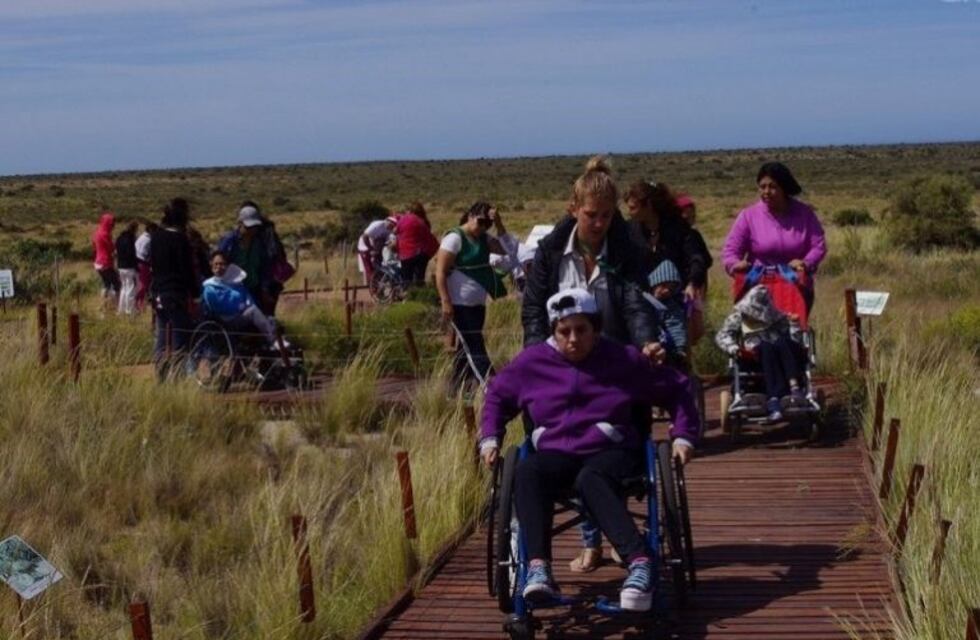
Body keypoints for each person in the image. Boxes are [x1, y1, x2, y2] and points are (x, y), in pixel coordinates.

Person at [480, 289, 699, 612]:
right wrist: (490, 439)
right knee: (528, 471)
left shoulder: (623, 360)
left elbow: (678, 388)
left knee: (591, 478)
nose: (573, 339)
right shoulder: (532, 363)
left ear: (595, 328)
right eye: (563, 331)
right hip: (557, 452)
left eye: (581, 330)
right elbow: (497, 396)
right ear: (553, 331)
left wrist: (683, 437)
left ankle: (639, 561)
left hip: (613, 450)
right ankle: (538, 567)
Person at [721, 162, 827, 309]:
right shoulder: (748, 216)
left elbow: (818, 246)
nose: (766, 191)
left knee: (793, 330)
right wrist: (734, 264)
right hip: (757, 290)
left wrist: (806, 263)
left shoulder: (805, 214)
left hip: (796, 288)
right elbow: (730, 250)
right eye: (762, 187)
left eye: (772, 187)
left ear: (784, 188)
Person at [435, 202, 510, 390]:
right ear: (470, 216)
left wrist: (499, 225)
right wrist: (446, 302)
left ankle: (457, 388)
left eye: (488, 223)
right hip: (459, 304)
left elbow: (507, 251)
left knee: (466, 347)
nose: (484, 226)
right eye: (481, 221)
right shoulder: (454, 238)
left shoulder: (485, 238)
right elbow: (440, 272)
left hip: (477, 303)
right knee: (475, 345)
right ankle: (492, 386)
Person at [715, 284, 805, 422]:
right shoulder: (739, 316)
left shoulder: (777, 318)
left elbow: (795, 342)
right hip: (754, 355)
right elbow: (722, 335)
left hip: (780, 353)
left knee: (780, 343)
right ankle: (774, 398)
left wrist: (794, 325)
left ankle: (793, 387)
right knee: (766, 347)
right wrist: (733, 348)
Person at [623, 180, 712, 303]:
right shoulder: (629, 231)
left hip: (679, 299)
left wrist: (692, 283)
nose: (629, 212)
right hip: (642, 300)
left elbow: (696, 259)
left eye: (633, 208)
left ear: (648, 205)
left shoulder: (678, 229)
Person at [150, 198, 200, 378]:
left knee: (162, 337)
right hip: (175, 293)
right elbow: (186, 270)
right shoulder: (180, 239)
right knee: (181, 337)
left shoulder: (156, 237)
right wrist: (195, 294)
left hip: (158, 292)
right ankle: (178, 379)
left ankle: (161, 376)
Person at [217, 201, 291, 317]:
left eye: (255, 227)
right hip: (233, 291)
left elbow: (264, 267)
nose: (252, 230)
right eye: (248, 226)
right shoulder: (229, 241)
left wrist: (264, 289)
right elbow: (218, 263)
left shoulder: (259, 244)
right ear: (240, 223)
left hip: (254, 289)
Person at [201, 251, 282, 346]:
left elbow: (247, 296)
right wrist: (240, 307)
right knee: (253, 312)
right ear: (211, 265)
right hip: (228, 320)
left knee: (270, 319)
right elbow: (218, 308)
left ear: (227, 266)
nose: (219, 267)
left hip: (242, 314)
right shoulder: (209, 287)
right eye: (216, 264)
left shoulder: (233, 281)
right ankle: (274, 341)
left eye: (222, 264)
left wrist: (247, 304)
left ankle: (274, 346)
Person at [644, 260, 687, 365]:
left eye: (671, 289)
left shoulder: (671, 307)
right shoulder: (641, 299)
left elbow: (676, 325)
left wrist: (680, 348)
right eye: (663, 286)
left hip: (663, 345)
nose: (667, 291)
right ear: (654, 283)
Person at [394, 201, 439, 285]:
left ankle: (408, 294)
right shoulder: (424, 221)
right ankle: (420, 293)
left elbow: (395, 231)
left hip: (407, 253)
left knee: (407, 278)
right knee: (420, 277)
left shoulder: (405, 219)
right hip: (423, 253)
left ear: (410, 210)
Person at [91, 209, 120, 311]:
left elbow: (94, 247)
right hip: (106, 262)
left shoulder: (97, 232)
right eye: (112, 224)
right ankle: (115, 307)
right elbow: (111, 248)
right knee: (117, 284)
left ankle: (104, 306)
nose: (113, 226)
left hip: (98, 262)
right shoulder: (106, 234)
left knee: (106, 284)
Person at [358, 215, 399, 284]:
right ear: (387, 221)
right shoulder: (377, 224)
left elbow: (386, 242)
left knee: (378, 267)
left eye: (393, 226)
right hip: (365, 246)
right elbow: (365, 236)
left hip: (376, 248)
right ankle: (373, 285)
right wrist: (371, 249)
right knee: (369, 268)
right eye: (391, 225)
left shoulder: (389, 230)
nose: (391, 227)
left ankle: (378, 284)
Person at [115, 219, 139, 316]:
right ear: (134, 229)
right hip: (129, 267)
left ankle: (121, 310)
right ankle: (129, 311)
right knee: (131, 289)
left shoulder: (119, 238)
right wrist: (136, 266)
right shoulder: (130, 239)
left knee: (124, 288)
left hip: (121, 266)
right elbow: (131, 254)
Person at [134, 220, 156, 312]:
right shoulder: (149, 240)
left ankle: (139, 303)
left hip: (137, 262)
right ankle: (139, 304)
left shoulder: (141, 237)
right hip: (143, 264)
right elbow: (145, 254)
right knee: (144, 285)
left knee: (141, 284)